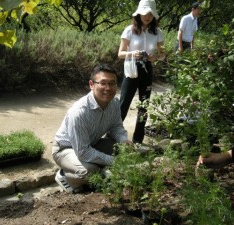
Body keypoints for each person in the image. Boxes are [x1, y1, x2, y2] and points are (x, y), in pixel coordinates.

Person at [52, 64, 133, 193]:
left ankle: (97, 170)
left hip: (91, 144)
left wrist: (123, 140)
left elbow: (116, 127)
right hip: (66, 149)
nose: (108, 88)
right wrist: (112, 161)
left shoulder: (114, 103)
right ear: (91, 84)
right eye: (103, 83)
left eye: (112, 83)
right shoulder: (79, 112)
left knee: (121, 150)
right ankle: (65, 176)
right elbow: (83, 152)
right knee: (89, 171)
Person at [118, 0, 165, 144]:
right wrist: (133, 53)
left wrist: (155, 57)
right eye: (145, 13)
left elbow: (162, 54)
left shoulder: (157, 32)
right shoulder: (129, 30)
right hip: (132, 69)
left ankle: (138, 140)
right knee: (124, 103)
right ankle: (114, 135)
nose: (148, 16)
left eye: (151, 13)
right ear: (139, 14)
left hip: (147, 69)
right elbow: (120, 53)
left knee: (144, 105)